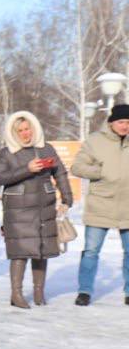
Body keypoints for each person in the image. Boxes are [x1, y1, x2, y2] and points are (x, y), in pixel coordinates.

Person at [0, 112, 73, 308]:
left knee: (41, 249)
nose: (24, 133)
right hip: (17, 209)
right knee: (20, 251)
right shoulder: (6, 152)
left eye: (27, 128)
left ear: (34, 128)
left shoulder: (46, 149)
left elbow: (60, 173)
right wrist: (27, 169)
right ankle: (16, 294)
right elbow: (0, 178)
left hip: (44, 206)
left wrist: (67, 198)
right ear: (13, 132)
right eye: (19, 130)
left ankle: (39, 292)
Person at [70, 103, 129, 306]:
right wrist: (99, 172)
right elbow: (77, 167)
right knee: (91, 251)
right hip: (101, 204)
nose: (125, 126)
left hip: (128, 206)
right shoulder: (95, 141)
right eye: (121, 121)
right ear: (112, 122)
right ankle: (84, 291)